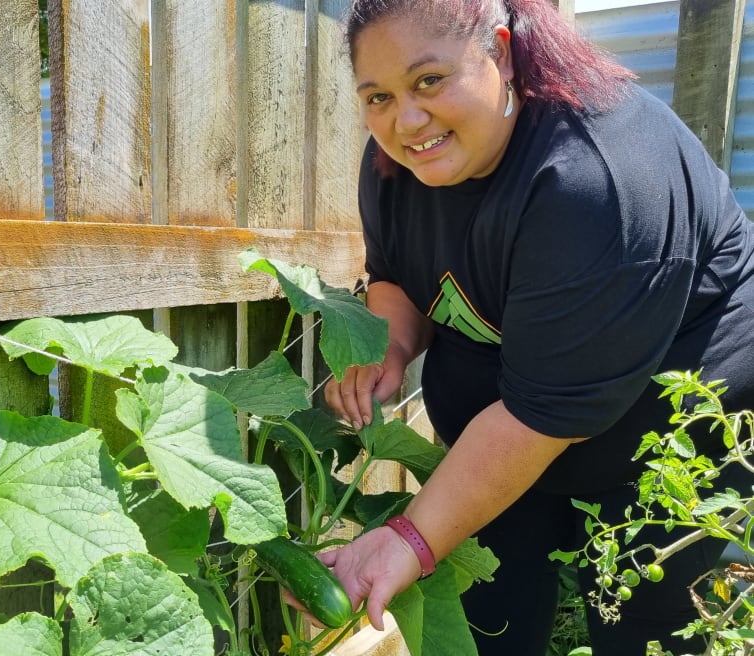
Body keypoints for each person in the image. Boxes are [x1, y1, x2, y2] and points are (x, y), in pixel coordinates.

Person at [314, 0, 754, 654]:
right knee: (492, 614)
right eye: (378, 96)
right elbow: (396, 276)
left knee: (645, 621)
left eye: (429, 80)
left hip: (661, 421)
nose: (406, 120)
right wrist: (392, 346)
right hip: (509, 420)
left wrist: (409, 538)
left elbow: (541, 416)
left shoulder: (595, 175)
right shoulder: (396, 163)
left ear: (499, 50)